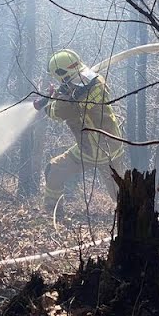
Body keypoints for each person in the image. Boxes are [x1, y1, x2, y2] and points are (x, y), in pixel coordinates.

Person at [33, 49, 125, 221]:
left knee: (121, 196)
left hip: (95, 151)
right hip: (107, 144)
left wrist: (51, 99)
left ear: (61, 75)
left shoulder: (69, 101)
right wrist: (63, 92)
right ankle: (52, 214)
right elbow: (80, 92)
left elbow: (56, 113)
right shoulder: (98, 81)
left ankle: (133, 223)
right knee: (55, 169)